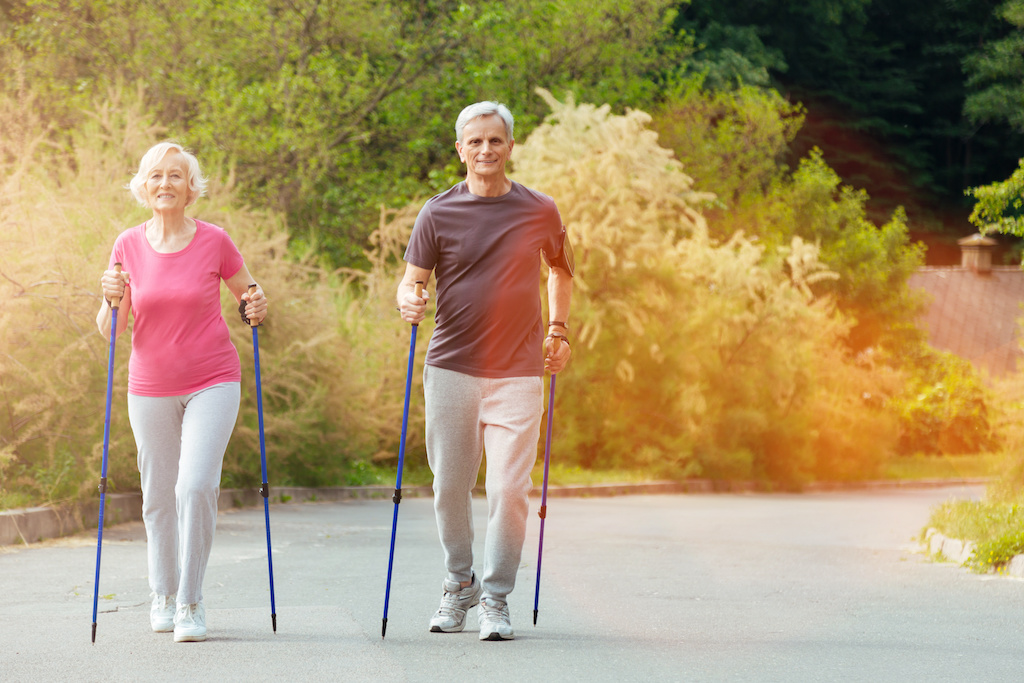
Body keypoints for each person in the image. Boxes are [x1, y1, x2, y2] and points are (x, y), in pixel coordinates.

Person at [396, 101, 574, 641]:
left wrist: (559, 330)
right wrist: (410, 298)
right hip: (451, 366)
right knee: (449, 487)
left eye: (495, 141)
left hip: (519, 370)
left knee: (509, 489)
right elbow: (411, 280)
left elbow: (561, 271)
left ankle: (495, 598)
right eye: (475, 142)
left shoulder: (539, 210)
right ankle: (459, 584)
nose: (485, 150)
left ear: (510, 147)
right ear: (460, 149)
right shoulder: (437, 212)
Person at [95, 141, 267, 643]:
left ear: (191, 188)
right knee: (157, 497)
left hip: (213, 379)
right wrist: (110, 299)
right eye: (156, 176)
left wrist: (255, 307)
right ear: (143, 187)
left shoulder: (215, 241)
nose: (165, 183)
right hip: (149, 386)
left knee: (194, 486)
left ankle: (191, 601)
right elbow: (112, 330)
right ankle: (163, 595)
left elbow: (250, 297)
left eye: (176, 175)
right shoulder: (126, 245)